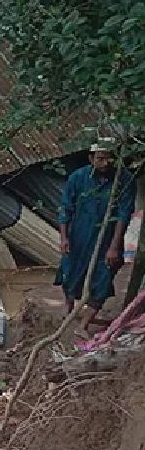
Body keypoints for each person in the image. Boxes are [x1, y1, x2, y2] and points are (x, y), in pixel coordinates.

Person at [56, 141, 136, 340]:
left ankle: (83, 324)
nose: (105, 163)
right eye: (100, 158)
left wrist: (114, 247)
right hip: (79, 236)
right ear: (91, 159)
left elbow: (124, 215)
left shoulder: (124, 180)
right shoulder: (78, 178)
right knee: (70, 271)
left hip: (108, 239)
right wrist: (64, 237)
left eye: (109, 158)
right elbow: (66, 209)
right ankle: (69, 309)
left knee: (103, 278)